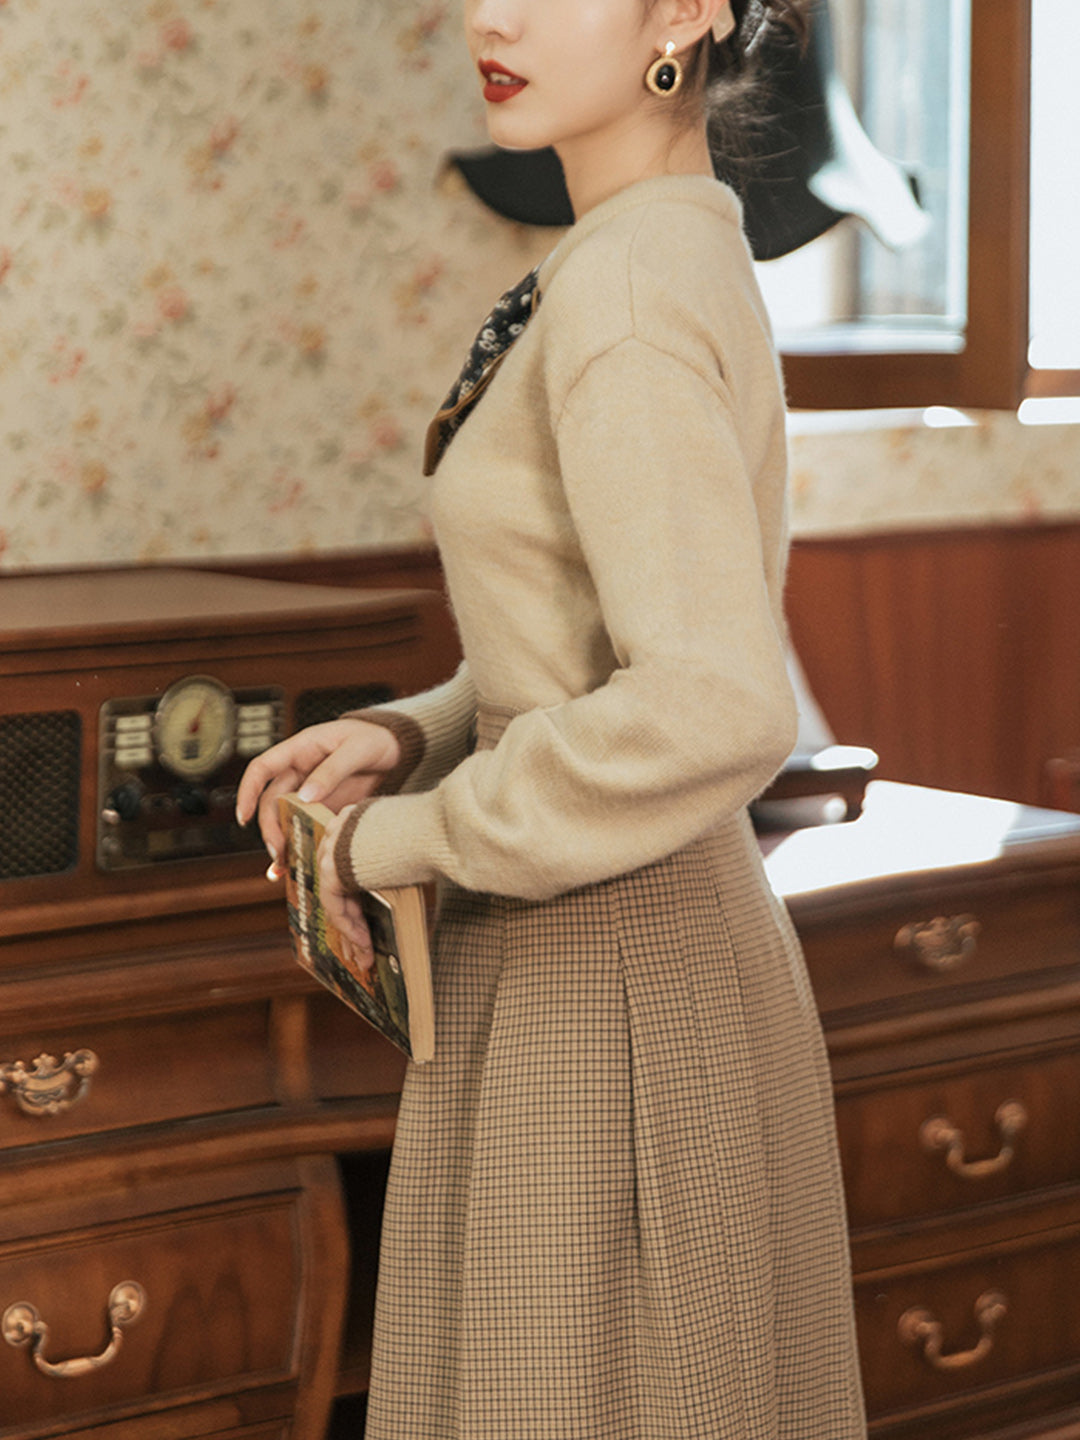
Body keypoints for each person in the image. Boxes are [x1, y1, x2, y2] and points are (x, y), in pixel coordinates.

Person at [236, 0, 868, 1434]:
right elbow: (602, 630)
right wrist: (418, 729)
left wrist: (402, 837)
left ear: (688, 11)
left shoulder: (625, 291)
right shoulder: (656, 243)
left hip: (610, 972)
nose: (493, 15)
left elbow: (714, 701)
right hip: (597, 949)